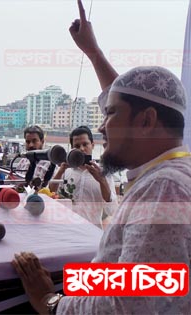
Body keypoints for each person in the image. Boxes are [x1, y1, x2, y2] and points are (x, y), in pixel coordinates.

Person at [12, 1, 191, 314]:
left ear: (147, 122)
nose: (101, 126)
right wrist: (93, 53)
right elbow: (127, 97)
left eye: (109, 114)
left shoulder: (163, 189)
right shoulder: (172, 172)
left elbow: (128, 304)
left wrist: (50, 302)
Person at [49, 126, 118, 228]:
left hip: (91, 231)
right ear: (71, 148)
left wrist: (102, 181)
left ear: (92, 145)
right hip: (65, 229)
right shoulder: (65, 170)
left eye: (85, 144)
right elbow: (49, 194)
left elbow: (112, 210)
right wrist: (60, 171)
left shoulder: (103, 173)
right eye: (77, 146)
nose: (81, 149)